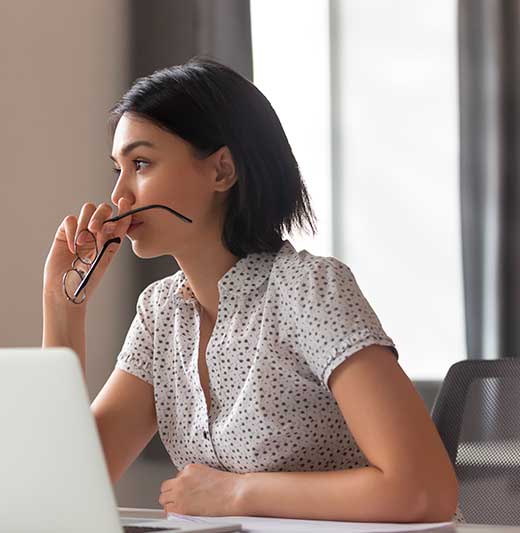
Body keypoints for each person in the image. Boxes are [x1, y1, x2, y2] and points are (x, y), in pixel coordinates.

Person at [41, 56, 460, 523]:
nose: (120, 196)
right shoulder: (160, 314)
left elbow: (423, 490)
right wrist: (62, 307)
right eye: (117, 168)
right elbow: (67, 481)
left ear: (222, 171)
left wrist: (238, 494)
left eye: (141, 163)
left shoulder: (309, 290)